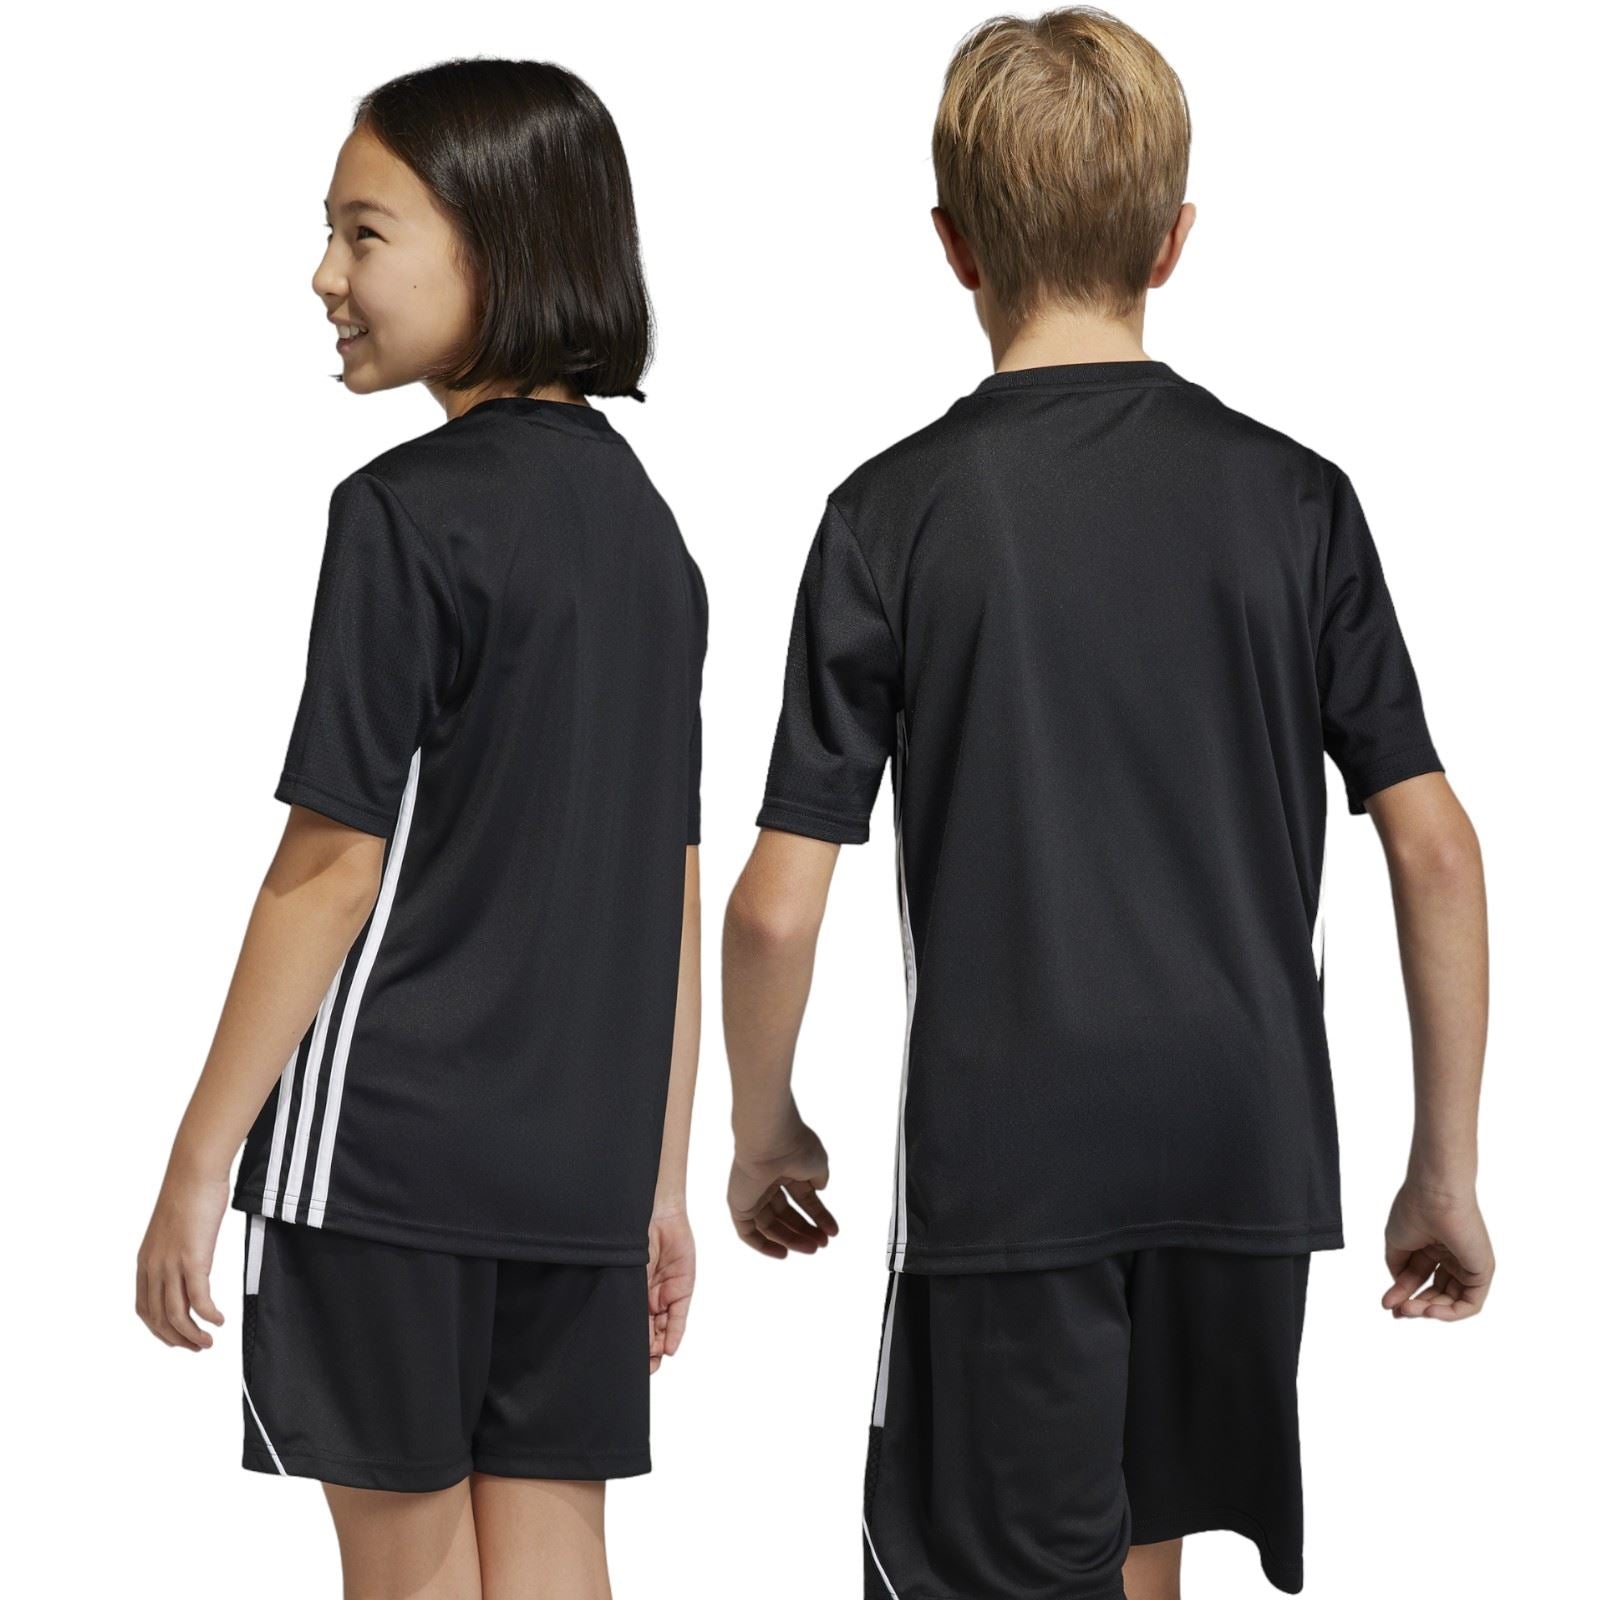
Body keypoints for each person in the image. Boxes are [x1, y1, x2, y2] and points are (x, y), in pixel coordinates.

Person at [721, 9, 1491, 1599]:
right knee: (1138, 1552)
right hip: (1244, 1148)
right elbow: (1435, 849)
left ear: (954, 246)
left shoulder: (888, 517)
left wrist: (761, 1122)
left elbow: (776, 907)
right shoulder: (1299, 501)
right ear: (1173, 239)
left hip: (1018, 1160)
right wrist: (1444, 1168)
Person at [135, 58, 707, 1600]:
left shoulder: (401, 514)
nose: (325, 275)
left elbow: (331, 871)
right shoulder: (653, 540)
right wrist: (656, 1182)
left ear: (496, 247)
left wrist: (200, 1159)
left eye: (363, 232)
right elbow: (669, 888)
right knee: (556, 1567)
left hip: (389, 1165)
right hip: (578, 1177)